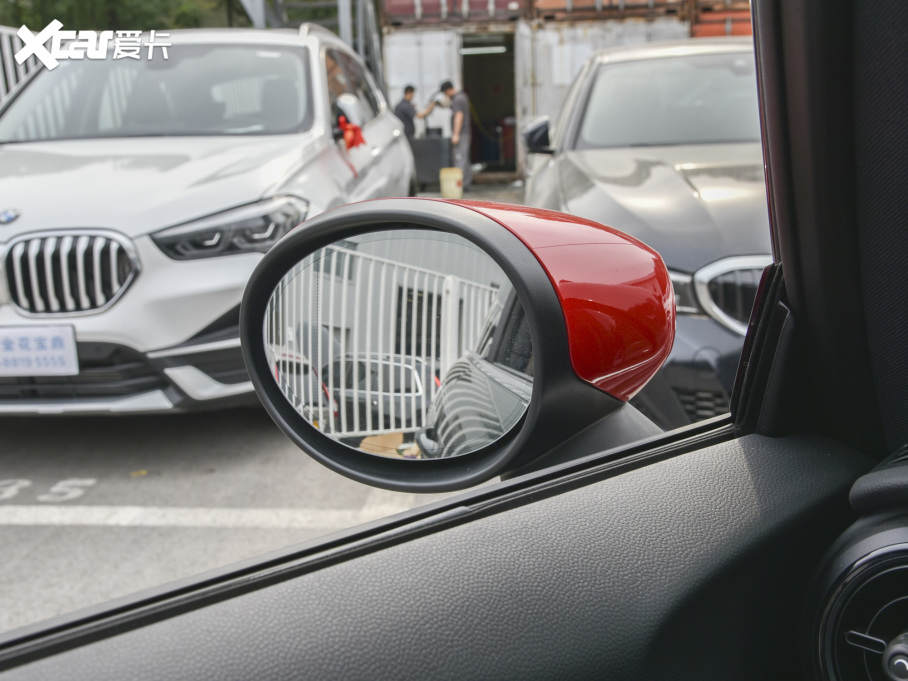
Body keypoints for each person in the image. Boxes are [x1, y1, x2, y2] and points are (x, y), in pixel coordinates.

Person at [440, 80, 472, 190]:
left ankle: (460, 187)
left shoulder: (458, 99)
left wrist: (456, 134)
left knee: (460, 159)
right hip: (465, 133)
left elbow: (459, 116)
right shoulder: (462, 96)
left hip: (461, 134)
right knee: (464, 158)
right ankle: (466, 184)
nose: (445, 96)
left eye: (445, 93)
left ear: (448, 90)